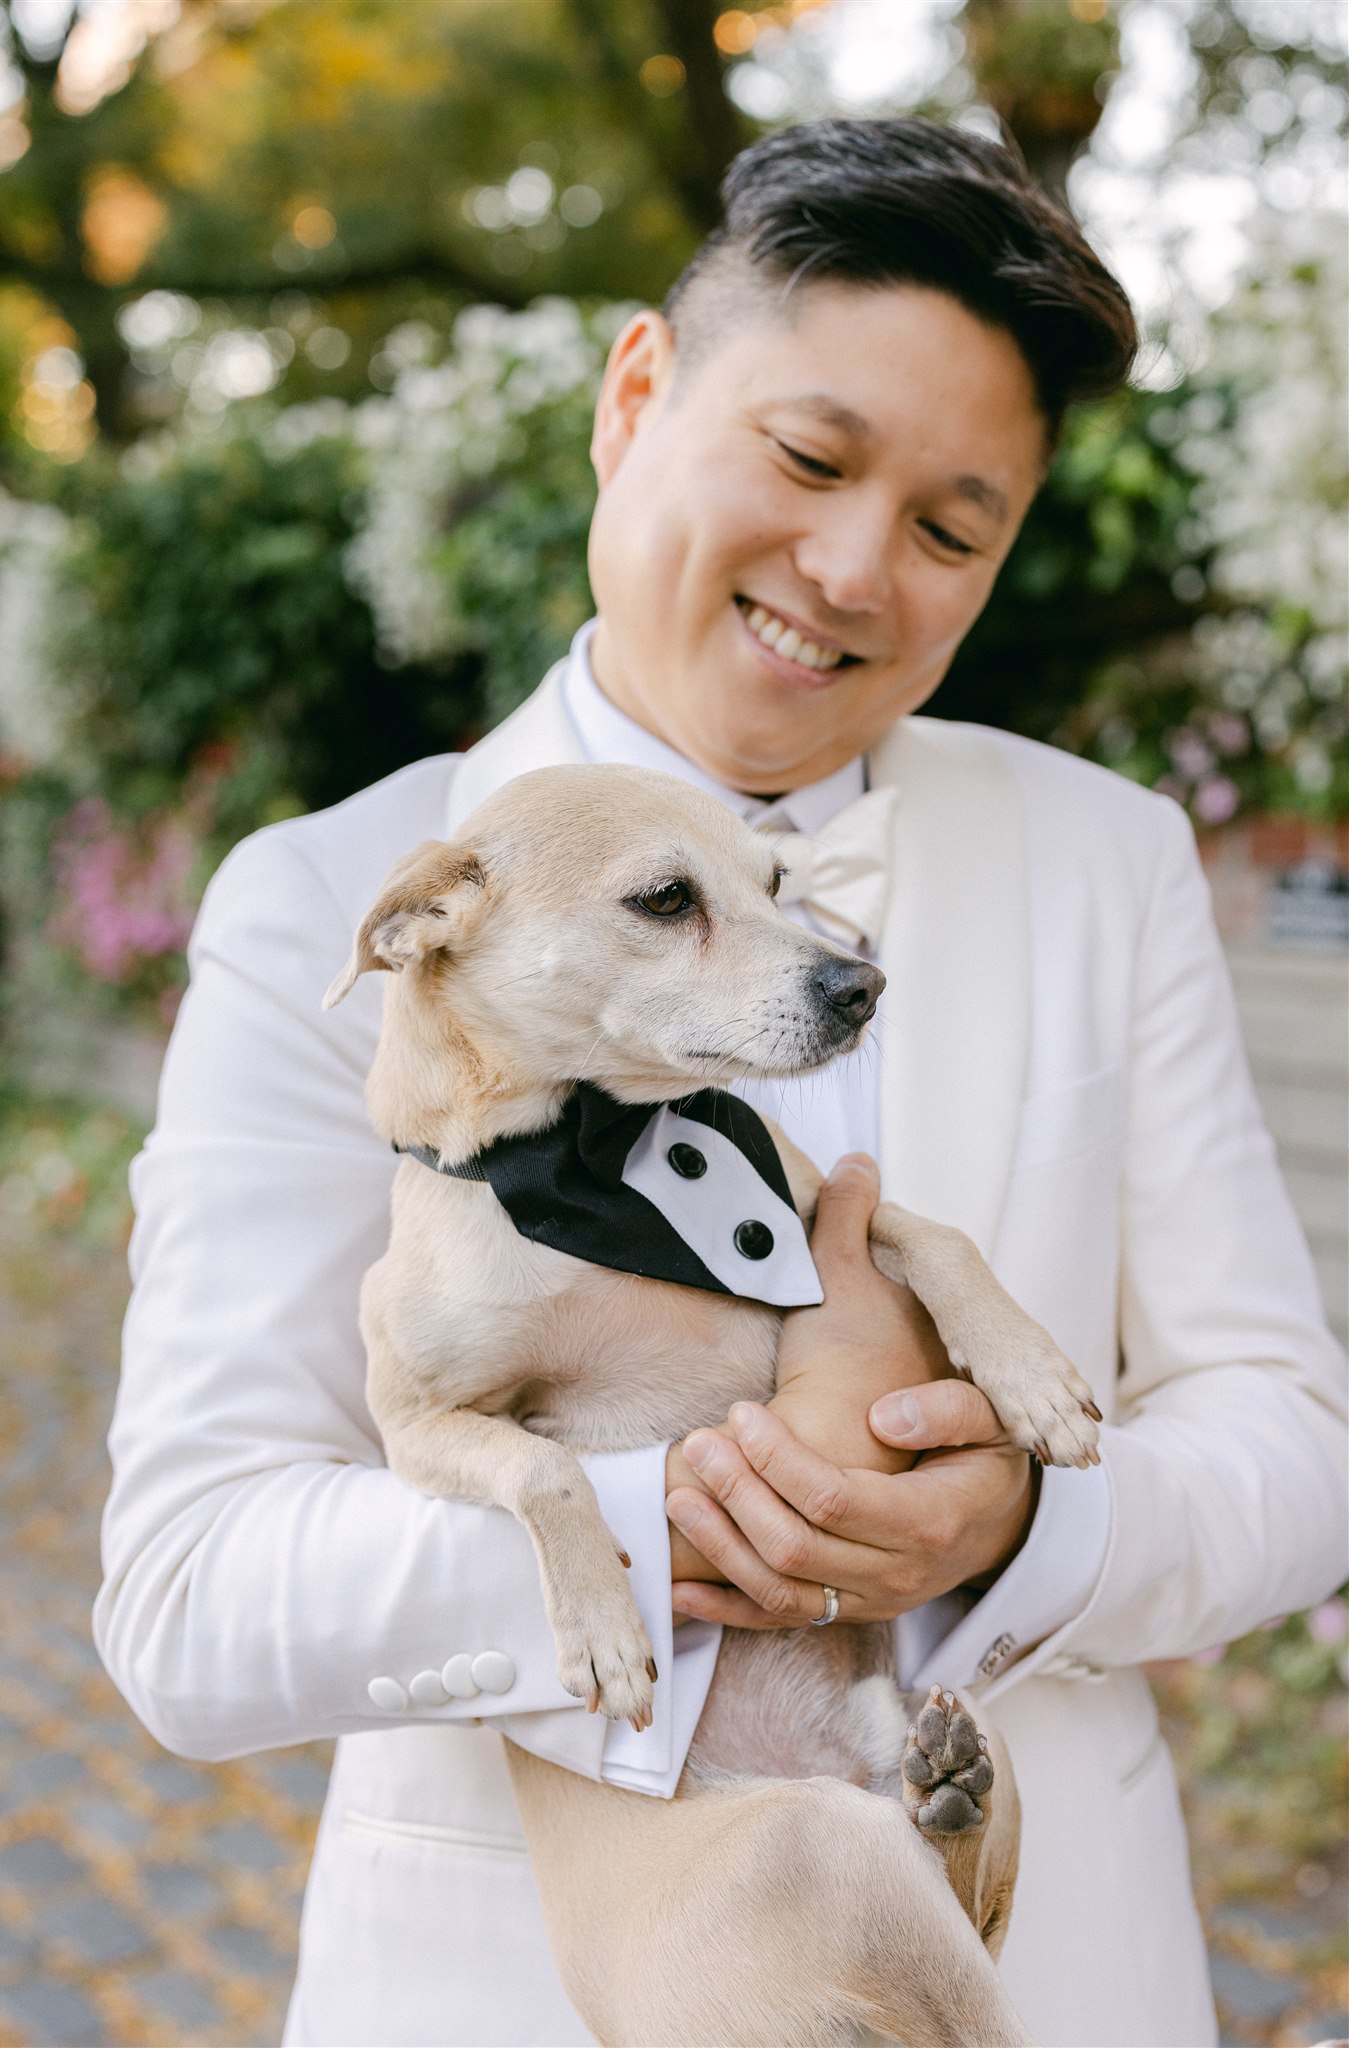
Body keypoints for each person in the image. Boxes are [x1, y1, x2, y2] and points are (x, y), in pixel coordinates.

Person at [94, 119, 1347, 2048]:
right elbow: (190, 1593)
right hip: (514, 1983)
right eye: (808, 457)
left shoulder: (1111, 860)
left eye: (949, 529)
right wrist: (645, 1530)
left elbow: (1291, 1443)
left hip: (1053, 1967)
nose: (851, 569)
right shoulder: (328, 903)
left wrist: (1018, 1528)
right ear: (637, 393)